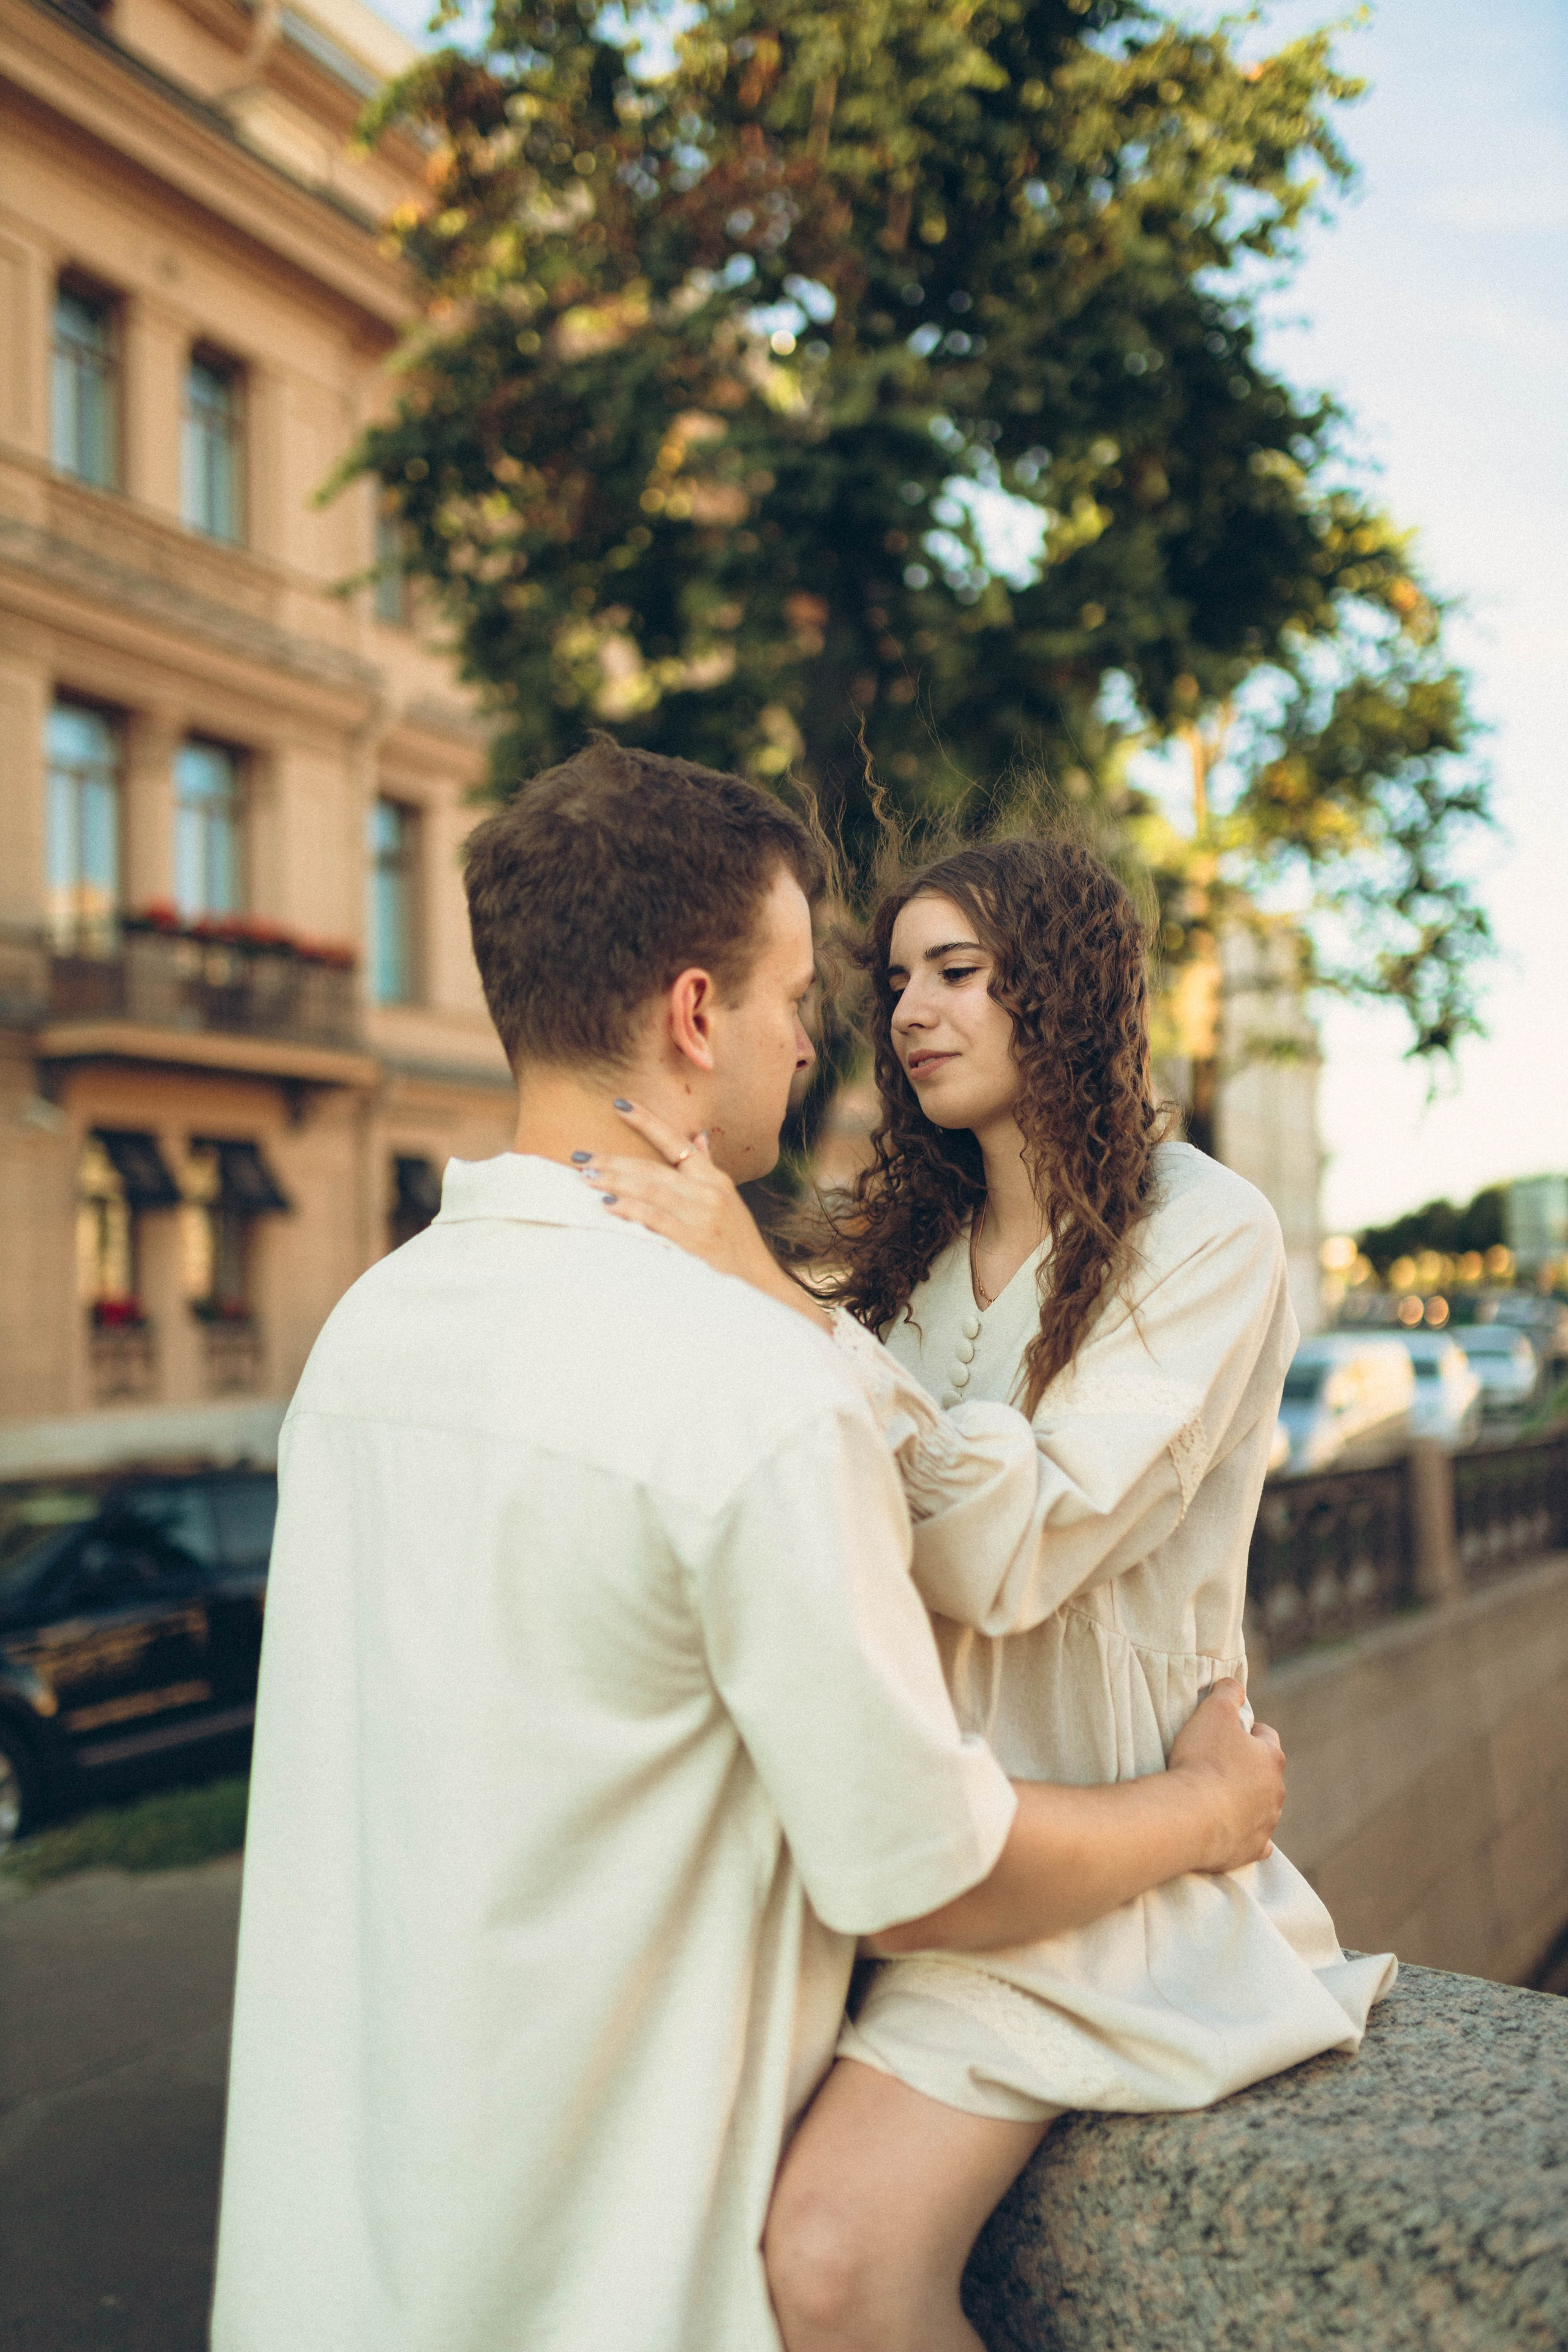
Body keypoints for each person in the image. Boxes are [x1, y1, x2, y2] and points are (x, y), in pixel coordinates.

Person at [209, 752, 1286, 2352]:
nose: (844, 1028)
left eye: (952, 973)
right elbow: (925, 1870)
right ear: (700, 1016)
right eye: (822, 989)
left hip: (342, 2262)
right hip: (607, 2254)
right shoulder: (757, 1374)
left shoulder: (370, 1329)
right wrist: (1208, 1807)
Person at [579, 832, 1396, 2352]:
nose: (905, 1011)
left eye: (956, 972)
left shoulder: (1201, 1225)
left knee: (828, 2259)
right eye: (893, 979)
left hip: (1091, 1878)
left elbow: (1023, 1546)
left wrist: (759, 1296)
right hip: (893, 1850)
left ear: (1067, 986)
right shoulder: (911, 1247)